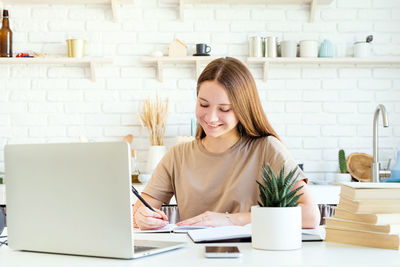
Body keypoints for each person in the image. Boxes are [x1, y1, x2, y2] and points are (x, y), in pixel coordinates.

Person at [133, 57, 320, 230]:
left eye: (225, 109)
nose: (211, 117)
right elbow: (137, 213)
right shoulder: (177, 156)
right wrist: (142, 217)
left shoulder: (266, 149)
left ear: (243, 109)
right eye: (203, 105)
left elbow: (310, 216)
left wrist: (231, 219)